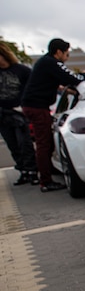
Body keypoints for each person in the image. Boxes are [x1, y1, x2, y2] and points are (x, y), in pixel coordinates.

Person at [20, 38, 85, 192]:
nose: (67, 57)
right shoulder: (51, 63)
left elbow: (61, 81)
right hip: (38, 107)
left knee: (45, 143)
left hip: (33, 106)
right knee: (43, 144)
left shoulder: (45, 63)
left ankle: (47, 173)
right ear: (58, 52)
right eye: (67, 54)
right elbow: (71, 78)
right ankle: (45, 181)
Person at [0, 43, 38, 185]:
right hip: (3, 114)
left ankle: (32, 171)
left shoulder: (22, 70)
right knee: (12, 144)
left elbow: (32, 87)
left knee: (25, 143)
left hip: (19, 112)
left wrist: (23, 105)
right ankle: (22, 170)